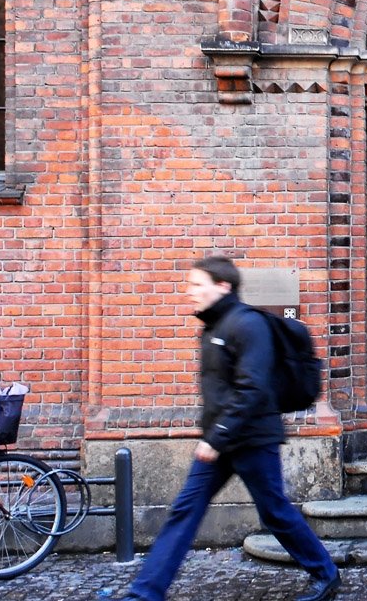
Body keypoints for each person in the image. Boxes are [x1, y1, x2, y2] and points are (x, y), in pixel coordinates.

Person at [122, 256, 341, 601]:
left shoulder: (246, 325)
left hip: (252, 438)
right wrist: (215, 435)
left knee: (275, 512)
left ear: (222, 286)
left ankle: (325, 573)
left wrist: (217, 435)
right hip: (221, 439)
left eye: (197, 284)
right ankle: (144, 594)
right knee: (185, 511)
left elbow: (253, 389)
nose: (189, 292)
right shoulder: (213, 327)